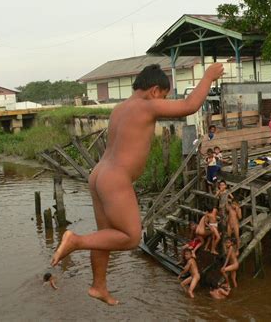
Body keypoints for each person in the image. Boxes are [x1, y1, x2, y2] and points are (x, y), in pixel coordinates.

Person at [50, 63, 225, 305]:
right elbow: (189, 106)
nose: (163, 101)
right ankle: (75, 241)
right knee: (131, 238)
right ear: (154, 91)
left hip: (99, 175)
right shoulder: (147, 105)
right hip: (116, 179)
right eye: (164, 96)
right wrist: (208, 76)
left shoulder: (120, 109)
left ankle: (98, 285)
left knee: (106, 236)